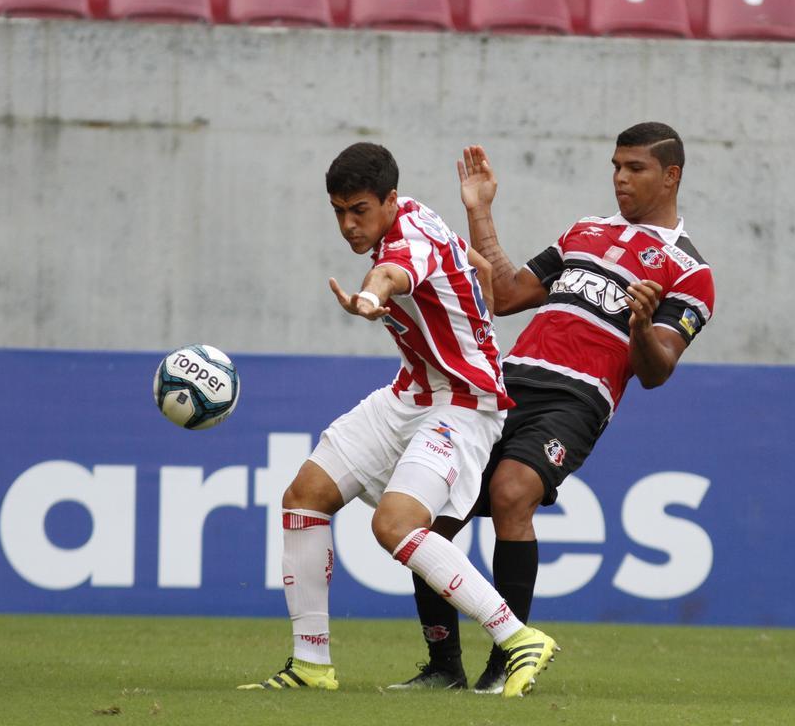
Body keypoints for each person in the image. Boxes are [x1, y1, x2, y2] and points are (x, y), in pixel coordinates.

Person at [392, 123, 716, 693]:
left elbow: (656, 369)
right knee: (432, 515)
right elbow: (509, 292)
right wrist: (480, 211)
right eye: (616, 165)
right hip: (507, 382)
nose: (620, 177)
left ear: (671, 176)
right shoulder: (583, 231)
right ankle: (443, 667)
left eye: (634, 168)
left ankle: (507, 661)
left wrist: (640, 325)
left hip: (578, 398)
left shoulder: (691, 273)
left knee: (513, 492)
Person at [237, 142, 558, 698]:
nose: (346, 224)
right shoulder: (414, 212)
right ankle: (311, 665)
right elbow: (475, 266)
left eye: (358, 210)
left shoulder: (406, 243)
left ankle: (516, 637)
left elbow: (391, 274)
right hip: (410, 394)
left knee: (393, 526)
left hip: (462, 402)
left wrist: (369, 295)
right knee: (304, 496)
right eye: (337, 210)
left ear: (387, 200)